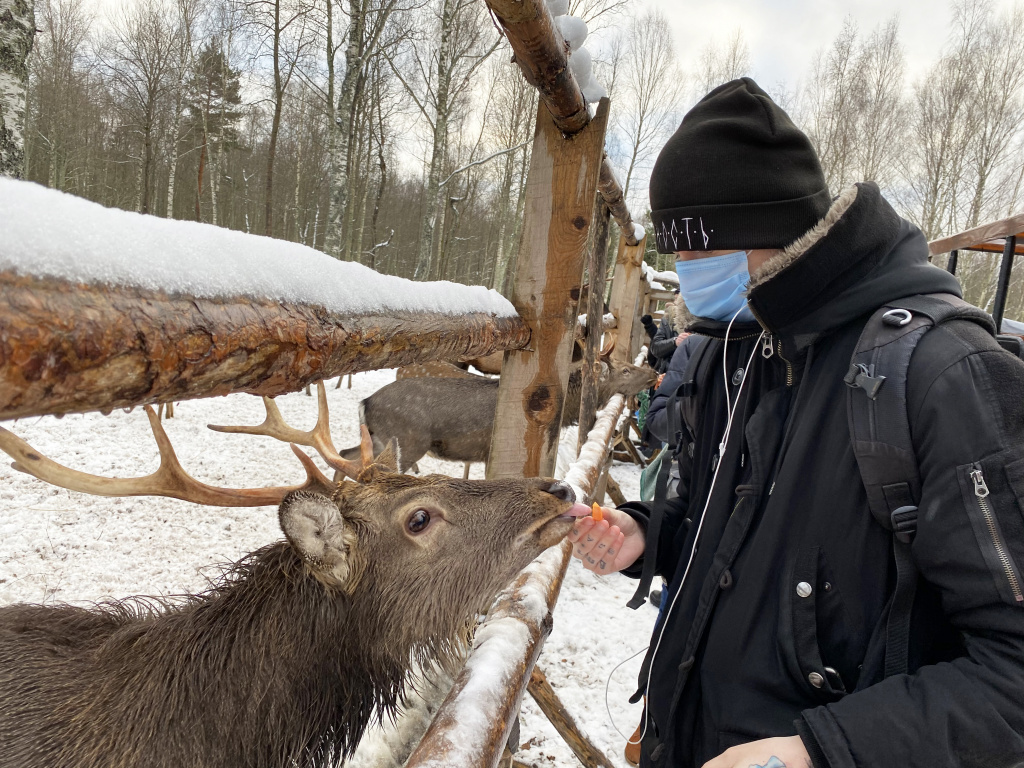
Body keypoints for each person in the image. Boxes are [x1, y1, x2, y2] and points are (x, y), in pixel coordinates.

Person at [568, 78, 1024, 768]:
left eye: (695, 256)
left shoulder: (941, 375)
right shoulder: (742, 352)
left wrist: (821, 752)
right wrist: (647, 531)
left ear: (764, 238)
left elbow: (1011, 673)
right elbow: (723, 524)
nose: (687, 278)